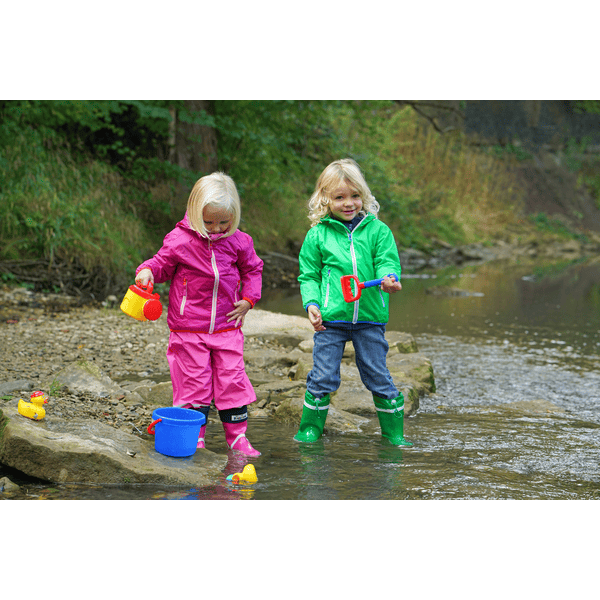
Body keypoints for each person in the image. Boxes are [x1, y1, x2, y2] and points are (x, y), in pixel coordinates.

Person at [135, 172, 263, 457]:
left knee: (233, 380)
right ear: (194, 212)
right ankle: (195, 436)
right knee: (193, 382)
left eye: (223, 222)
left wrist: (249, 299)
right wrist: (146, 272)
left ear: (234, 217)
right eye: (208, 222)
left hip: (227, 325)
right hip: (188, 327)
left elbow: (252, 269)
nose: (216, 229)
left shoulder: (239, 241)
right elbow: (161, 265)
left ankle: (237, 437)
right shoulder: (179, 240)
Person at [295, 158, 412, 447]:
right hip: (330, 320)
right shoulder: (318, 234)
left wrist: (388, 276)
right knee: (322, 376)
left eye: (355, 196)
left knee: (377, 374)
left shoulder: (378, 231)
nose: (349, 203)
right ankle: (310, 429)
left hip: (370, 318)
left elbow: (387, 261)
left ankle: (394, 434)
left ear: (364, 196)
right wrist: (311, 303)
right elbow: (308, 275)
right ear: (325, 199)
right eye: (340, 197)